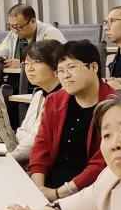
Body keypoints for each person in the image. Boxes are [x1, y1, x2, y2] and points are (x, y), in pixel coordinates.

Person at [26, 40, 115, 201]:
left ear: (93, 67)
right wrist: (38, 189)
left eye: (72, 67)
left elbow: (102, 162)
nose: (65, 75)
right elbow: (42, 145)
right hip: (50, 184)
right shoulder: (55, 100)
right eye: (60, 71)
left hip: (90, 190)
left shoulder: (114, 105)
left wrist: (58, 194)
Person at [12, 40, 65, 164]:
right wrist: (29, 139)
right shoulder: (38, 95)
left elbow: (36, 140)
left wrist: (10, 158)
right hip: (28, 157)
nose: (29, 69)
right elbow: (21, 131)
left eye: (36, 62)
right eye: (26, 63)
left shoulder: (64, 97)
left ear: (55, 65)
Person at [0, 3, 66, 69]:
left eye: (18, 26)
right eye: (11, 26)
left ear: (32, 21)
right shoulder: (12, 35)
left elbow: (57, 60)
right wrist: (1, 61)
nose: (15, 30)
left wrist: (22, 64)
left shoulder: (49, 33)